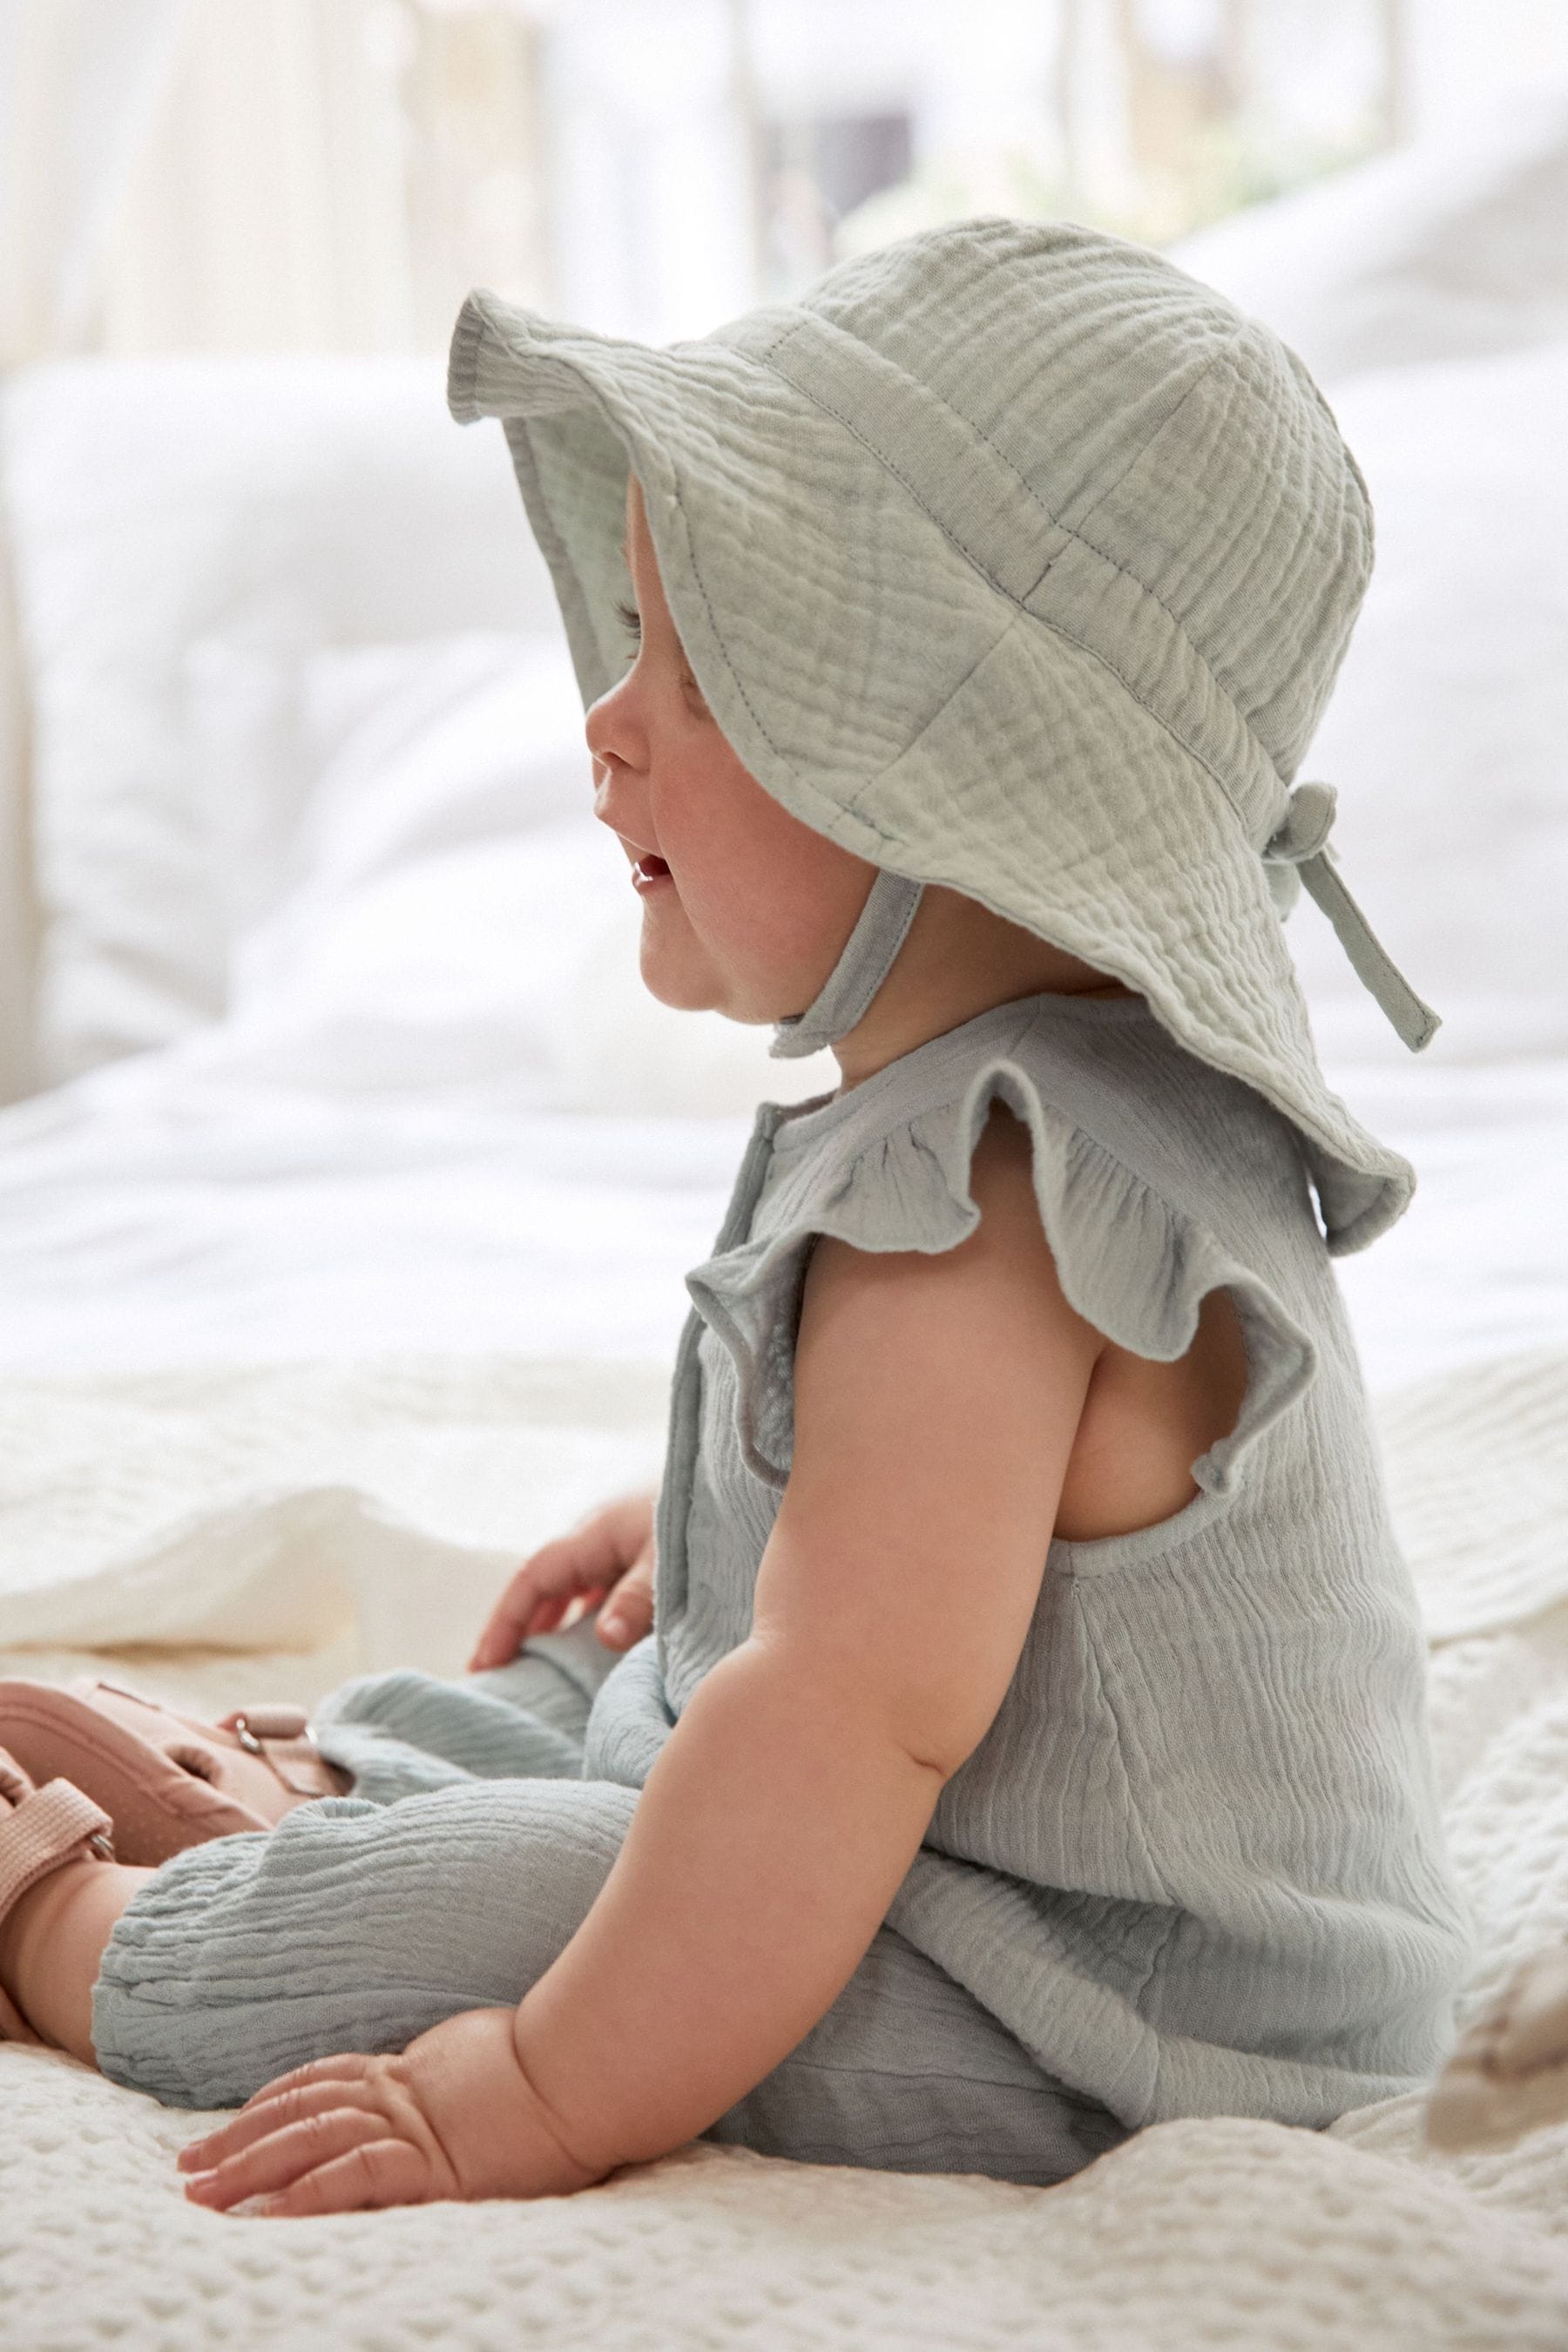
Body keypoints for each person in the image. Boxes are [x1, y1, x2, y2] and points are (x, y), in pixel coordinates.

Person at [0, 217, 1476, 2217]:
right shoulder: (1059, 1104)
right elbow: (960, 1553)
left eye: (693, 671)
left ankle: (97, 1931)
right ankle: (321, 1781)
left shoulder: (983, 1196)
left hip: (1111, 2034)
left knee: (576, 1885)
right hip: (1026, 1884)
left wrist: (515, 2094)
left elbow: (851, 1719)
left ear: (930, 768)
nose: (605, 720)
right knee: (608, 1681)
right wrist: (728, 1514)